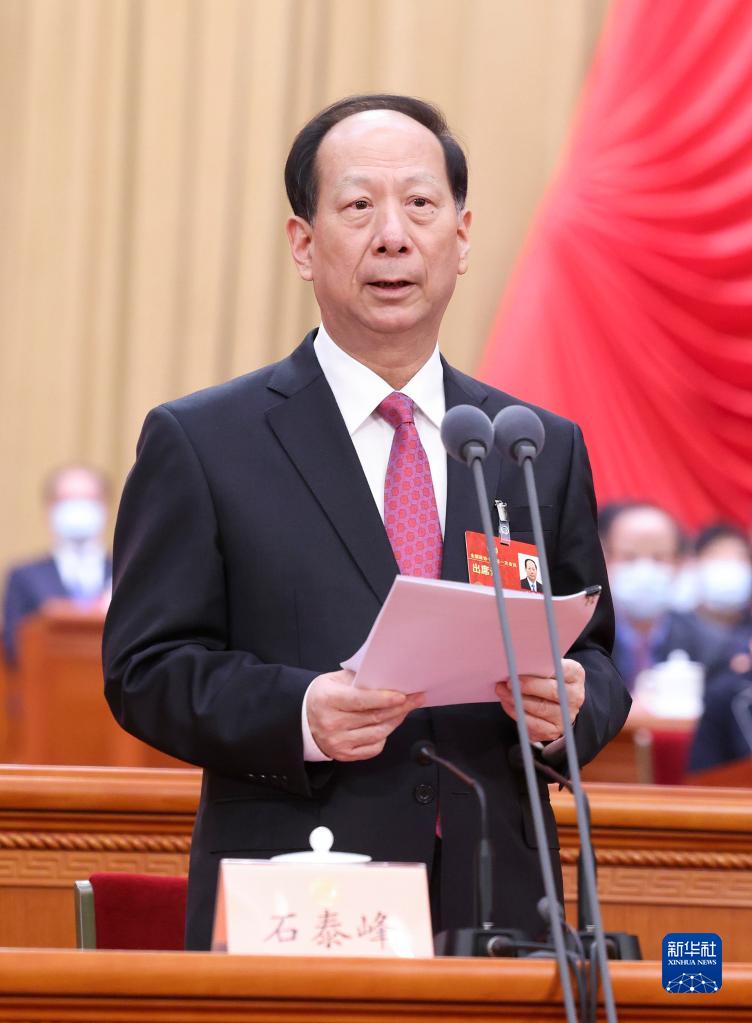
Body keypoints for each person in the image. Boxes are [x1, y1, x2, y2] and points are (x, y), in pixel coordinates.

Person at [103, 94, 630, 951]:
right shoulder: (204, 441)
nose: (393, 235)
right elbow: (144, 669)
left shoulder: (531, 445)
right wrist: (300, 711)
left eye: (420, 204)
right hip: (302, 890)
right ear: (303, 244)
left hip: (501, 900)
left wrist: (573, 703)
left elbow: (597, 654)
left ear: (462, 237)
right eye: (358, 206)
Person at [599, 501, 740, 691]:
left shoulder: (713, 646)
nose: (645, 570)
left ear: (679, 563)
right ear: (604, 559)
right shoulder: (579, 640)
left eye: (659, 557)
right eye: (629, 557)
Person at [2, 464, 111, 667]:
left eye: (88, 499)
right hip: (46, 682)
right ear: (49, 508)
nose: (78, 508)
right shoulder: (24, 577)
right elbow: (13, 647)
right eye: (67, 499)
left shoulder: (126, 574)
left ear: (105, 506)